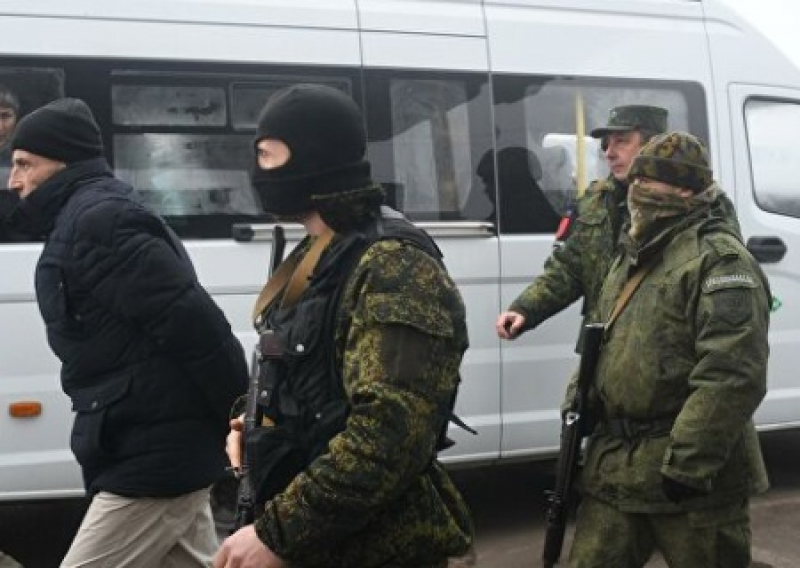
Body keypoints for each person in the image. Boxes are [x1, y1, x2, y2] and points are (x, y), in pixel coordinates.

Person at [214, 84, 473, 568]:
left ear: (313, 158)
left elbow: (389, 435)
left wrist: (277, 535)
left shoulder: (393, 266)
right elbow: (307, 380)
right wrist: (252, 425)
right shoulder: (320, 251)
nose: (257, 170)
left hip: (377, 548)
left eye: (268, 155)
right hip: (324, 539)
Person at [4, 98, 249, 567]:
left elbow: (196, 327)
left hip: (154, 457)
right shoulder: (82, 218)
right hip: (145, 442)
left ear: (63, 162)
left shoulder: (99, 223)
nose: (14, 180)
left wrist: (241, 419)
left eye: (24, 164)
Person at [567, 132, 770, 567]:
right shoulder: (631, 254)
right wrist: (577, 403)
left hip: (689, 483)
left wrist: (688, 464)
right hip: (616, 473)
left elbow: (732, 373)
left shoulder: (719, 261)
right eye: (636, 180)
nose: (637, 190)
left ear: (686, 191)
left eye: (650, 181)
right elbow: (602, 338)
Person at [496, 105, 669, 344]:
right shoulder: (597, 202)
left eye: (621, 142)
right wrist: (525, 309)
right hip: (602, 348)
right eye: (606, 144)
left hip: (659, 351)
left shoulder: (688, 207)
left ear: (654, 146)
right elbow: (569, 268)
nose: (609, 153)